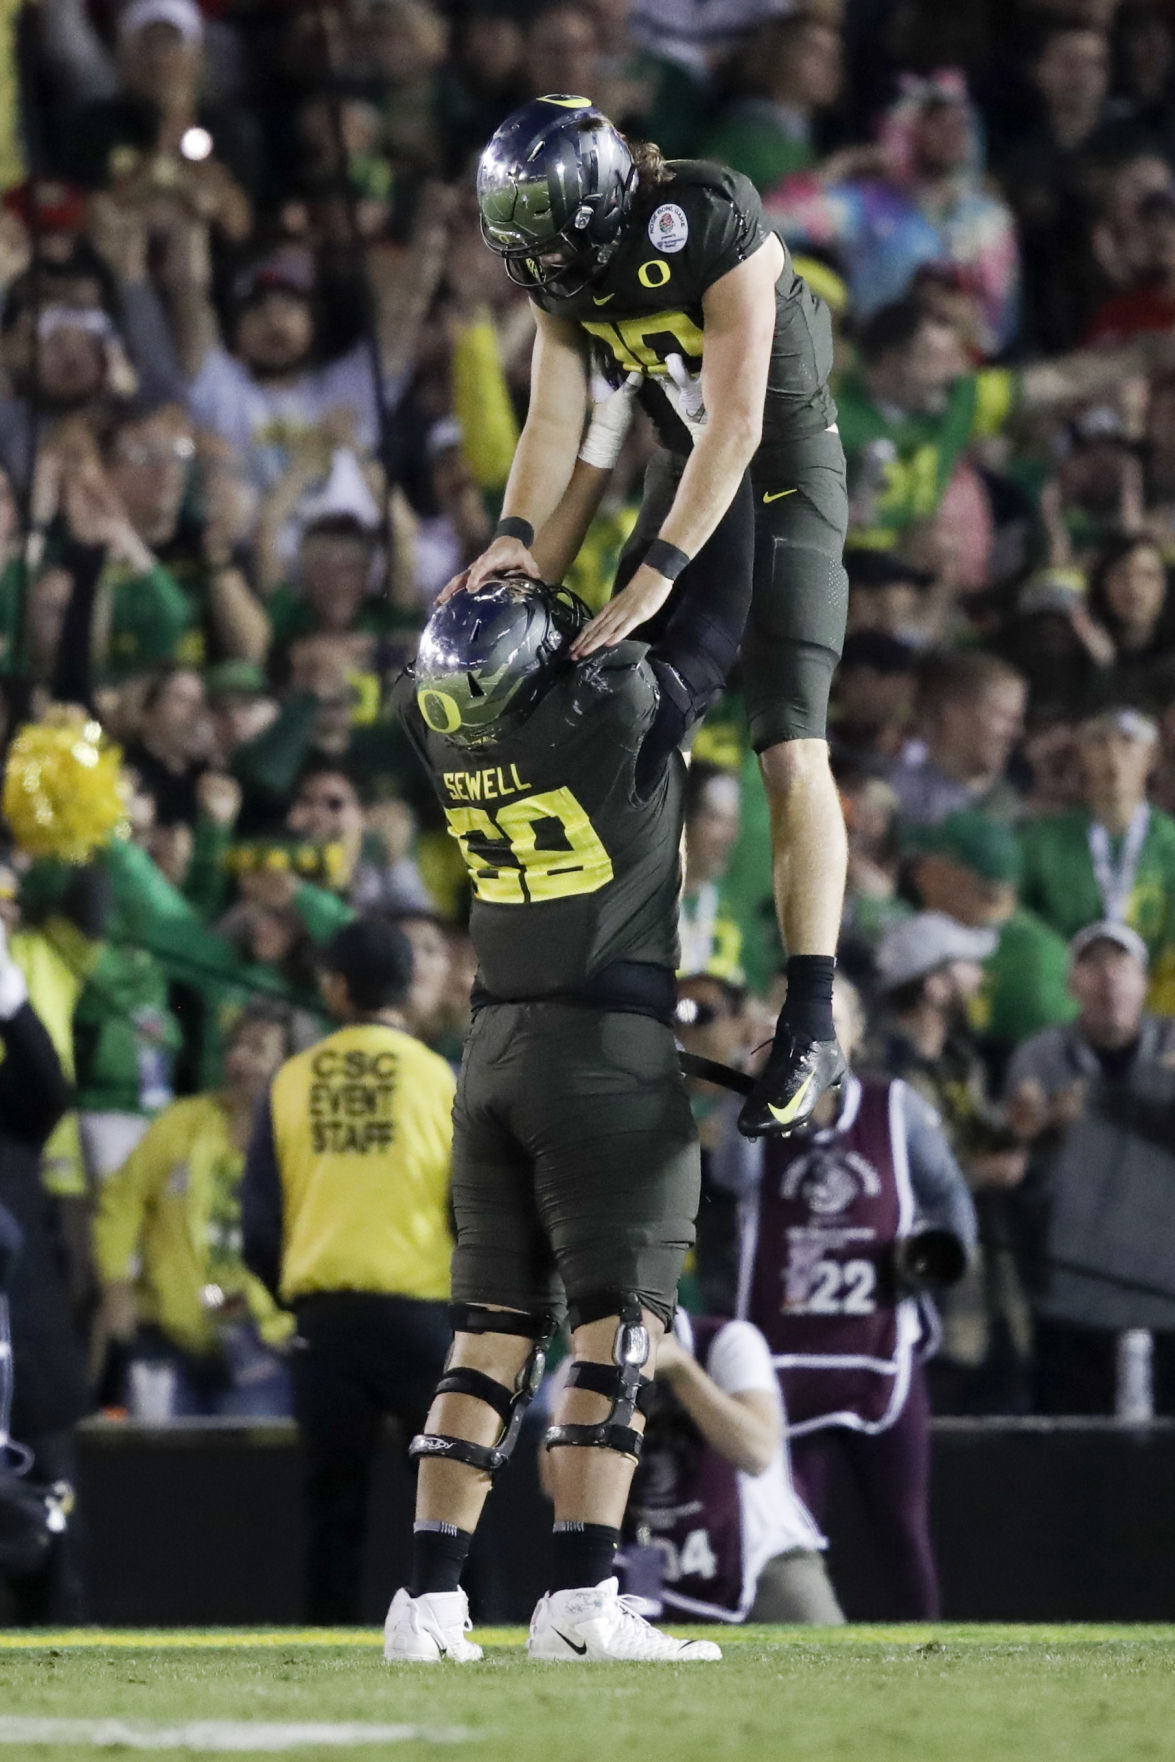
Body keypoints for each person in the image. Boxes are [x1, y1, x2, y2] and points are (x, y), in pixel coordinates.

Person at [383, 407, 754, 1661]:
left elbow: (428, 675)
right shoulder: (604, 718)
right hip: (601, 1056)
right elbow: (707, 623)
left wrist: (504, 558)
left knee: (489, 1326)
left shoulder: (433, 724)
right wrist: (714, 460)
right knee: (617, 1322)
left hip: (490, 1048)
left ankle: (428, 1598)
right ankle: (583, 1599)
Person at [463, 94, 851, 1139]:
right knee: (629, 717)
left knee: (787, 738)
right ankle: (623, 974)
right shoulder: (565, 271)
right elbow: (563, 420)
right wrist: (517, 544)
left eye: (553, 246)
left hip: (775, 472)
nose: (544, 274)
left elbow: (735, 421)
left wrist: (656, 574)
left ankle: (812, 1016)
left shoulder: (707, 215)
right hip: (683, 467)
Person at [737, 976, 977, 1619]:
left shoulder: (895, 1107)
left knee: (900, 1525)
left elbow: (949, 1192)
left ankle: (927, 1655)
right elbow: (728, 1177)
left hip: (878, 1352)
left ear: (856, 1032)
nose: (809, 1034)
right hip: (783, 1358)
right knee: (793, 1529)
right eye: (788, 1018)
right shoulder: (752, 1115)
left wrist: (941, 1252)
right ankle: (797, 1650)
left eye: (825, 1018)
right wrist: (756, 1083)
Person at [242, 917, 456, 1624]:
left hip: (326, 1318)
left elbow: (260, 1224)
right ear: (409, 988)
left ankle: (328, 1638)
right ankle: (470, 1623)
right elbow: (472, 1212)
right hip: (426, 1320)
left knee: (332, 1509)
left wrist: (291, 1299)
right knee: (451, 1499)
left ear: (335, 988)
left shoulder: (290, 1080)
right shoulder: (441, 1081)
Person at [92, 1004, 297, 1420]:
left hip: (261, 1348)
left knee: (254, 1475)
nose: (238, 1058)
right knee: (156, 1473)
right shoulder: (183, 1122)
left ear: (291, 1064)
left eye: (257, 1049)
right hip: (167, 1337)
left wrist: (289, 1326)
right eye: (235, 1046)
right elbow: (121, 1201)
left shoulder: (302, 1145)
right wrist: (117, 1287)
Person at [1005, 921, 1175, 1415]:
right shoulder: (1041, 1057)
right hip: (1076, 1281)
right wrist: (1039, 1127)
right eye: (1094, 965)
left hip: (1164, 1279)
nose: (1109, 980)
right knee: (1074, 1438)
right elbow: (1017, 1158)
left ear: (1145, 981)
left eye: (1122, 966)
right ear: (1072, 983)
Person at [620, 1311, 843, 1626]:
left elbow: (758, 1453)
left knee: (828, 1658)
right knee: (632, 1666)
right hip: (649, 1557)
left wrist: (683, 1371)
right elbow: (555, 1484)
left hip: (764, 1556)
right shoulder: (589, 1365)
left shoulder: (729, 1341)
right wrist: (609, 1393)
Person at [0, 921, 82, 1622]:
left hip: (26, 1361)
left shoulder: (12, 1108)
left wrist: (10, 998)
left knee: (53, 1543)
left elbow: (49, 1091)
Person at [1019, 707, 1175, 979]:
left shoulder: (1170, 844)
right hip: (1066, 997)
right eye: (1099, 741)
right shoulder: (1042, 842)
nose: (1112, 756)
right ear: (1080, 754)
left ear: (1152, 756)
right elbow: (1020, 927)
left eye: (1128, 741)